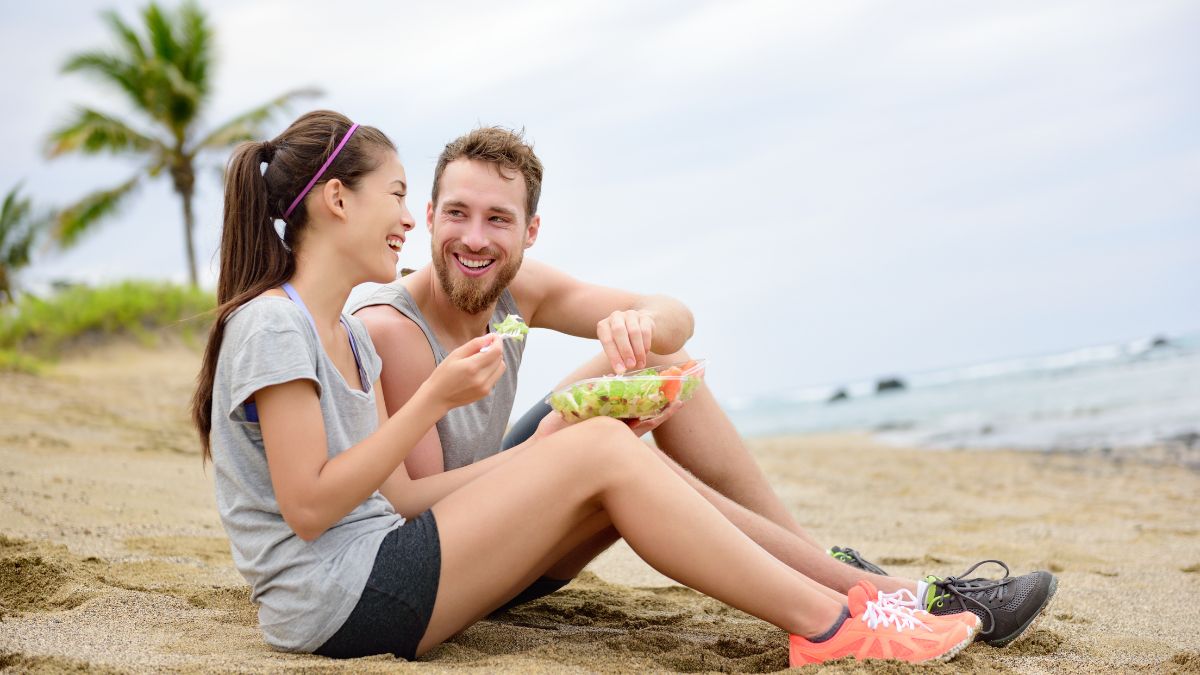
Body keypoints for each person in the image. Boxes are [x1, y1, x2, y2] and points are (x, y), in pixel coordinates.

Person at [191, 110, 981, 666]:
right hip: (339, 605)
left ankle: (842, 590)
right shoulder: (279, 326)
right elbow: (310, 506)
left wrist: (542, 442)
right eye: (401, 197)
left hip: (380, 566)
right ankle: (833, 619)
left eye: (409, 199)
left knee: (617, 420)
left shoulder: (336, 332)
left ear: (530, 229)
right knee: (600, 444)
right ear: (337, 200)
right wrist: (439, 403)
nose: (408, 221)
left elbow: (387, 494)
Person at [349, 126, 1057, 647]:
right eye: (457, 213)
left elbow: (676, 315)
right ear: (429, 217)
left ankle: (822, 562)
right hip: (455, 563)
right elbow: (413, 523)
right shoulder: (391, 332)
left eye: (497, 219)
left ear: (530, 231)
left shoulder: (518, 288)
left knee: (663, 357)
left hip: (509, 499)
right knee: (600, 441)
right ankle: (877, 594)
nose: (475, 238)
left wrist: (636, 320)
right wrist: (551, 450)